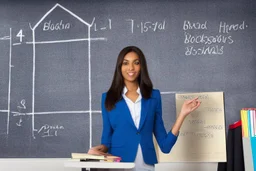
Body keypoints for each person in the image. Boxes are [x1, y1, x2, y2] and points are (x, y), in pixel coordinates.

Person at [88, 46, 201, 171]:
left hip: (146, 166)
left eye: (136, 63)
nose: (131, 68)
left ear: (142, 67)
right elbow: (107, 140)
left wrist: (182, 114)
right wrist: (98, 150)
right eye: (126, 63)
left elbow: (165, 146)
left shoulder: (154, 96)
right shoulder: (108, 98)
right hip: (118, 165)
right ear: (119, 67)